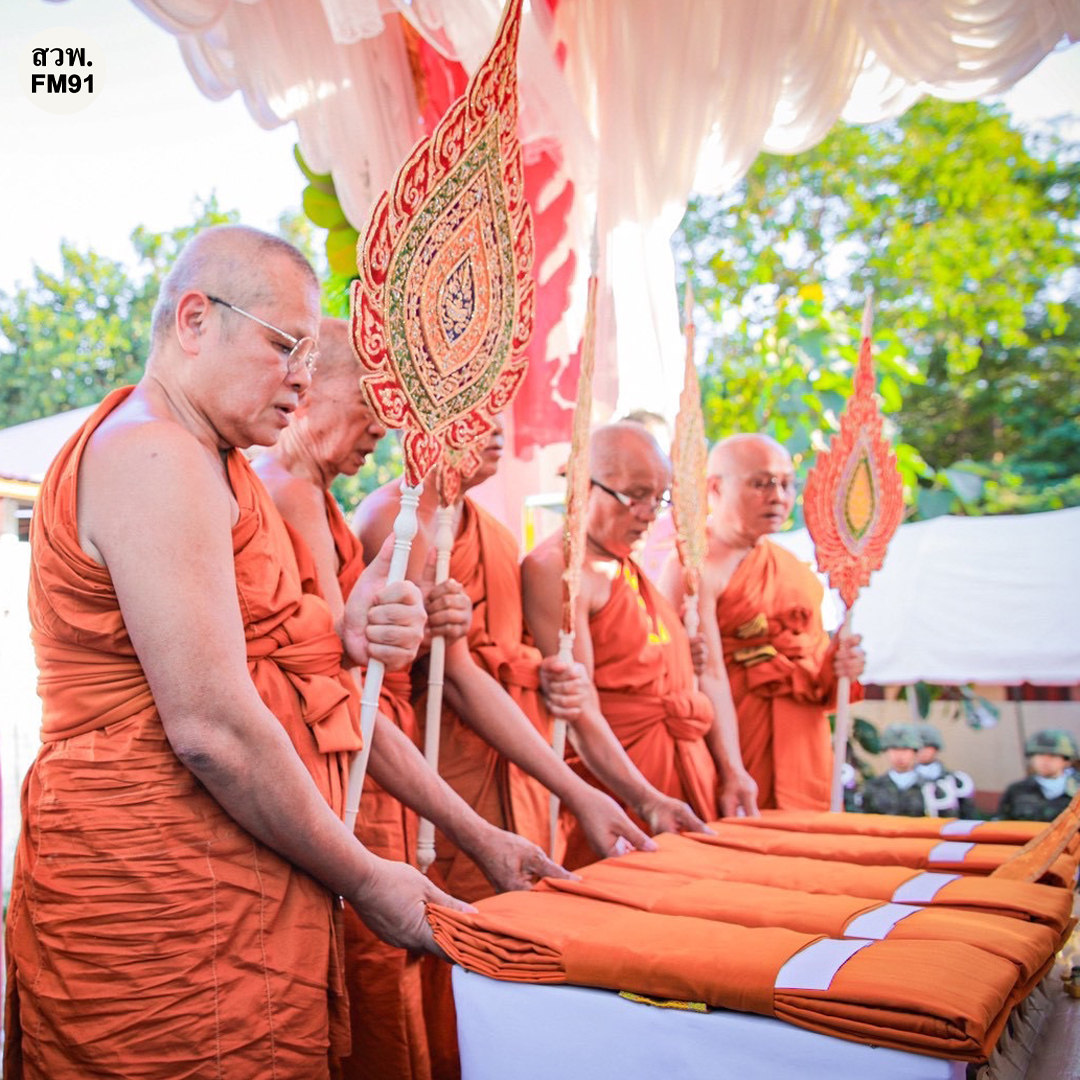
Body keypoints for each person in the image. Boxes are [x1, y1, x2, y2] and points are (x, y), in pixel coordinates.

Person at [4, 226, 472, 1080]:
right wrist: (367, 878)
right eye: (285, 346)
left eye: (310, 355)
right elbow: (211, 729)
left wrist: (348, 634)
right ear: (194, 320)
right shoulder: (154, 454)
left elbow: (262, 651)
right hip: (159, 883)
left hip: (234, 865)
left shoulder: (215, 464)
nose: (303, 377)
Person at [251, 318, 573, 1080]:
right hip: (346, 768)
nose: (384, 426)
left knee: (388, 980)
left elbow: (354, 656)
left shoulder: (329, 502)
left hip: (377, 755)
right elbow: (334, 676)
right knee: (368, 980)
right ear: (305, 392)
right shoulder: (307, 499)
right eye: (373, 403)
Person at [523, 422, 757, 869]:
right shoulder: (558, 569)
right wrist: (645, 799)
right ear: (582, 485)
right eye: (635, 496)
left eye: (659, 498)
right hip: (621, 790)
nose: (650, 513)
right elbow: (579, 708)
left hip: (686, 775)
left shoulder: (625, 567)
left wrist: (731, 768)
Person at [666, 433, 865, 811]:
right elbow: (706, 674)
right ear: (715, 488)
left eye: (787, 484)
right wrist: (731, 768)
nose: (778, 496)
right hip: (733, 746)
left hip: (804, 746)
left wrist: (838, 666)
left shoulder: (794, 569)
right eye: (761, 483)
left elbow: (811, 664)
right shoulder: (693, 567)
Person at [997, 729, 1080, 822]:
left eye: (1052, 755)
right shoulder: (1017, 790)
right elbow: (1002, 824)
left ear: (1067, 761)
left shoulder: (1077, 791)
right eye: (1040, 754)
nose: (1045, 761)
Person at [860, 724, 929, 816]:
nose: (899, 755)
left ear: (915, 752)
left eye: (905, 749)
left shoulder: (929, 787)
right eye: (894, 749)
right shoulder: (873, 787)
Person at [914, 721, 976, 818]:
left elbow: (967, 812)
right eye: (918, 747)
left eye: (927, 746)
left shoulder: (955, 780)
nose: (922, 751)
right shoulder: (907, 781)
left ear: (936, 748)